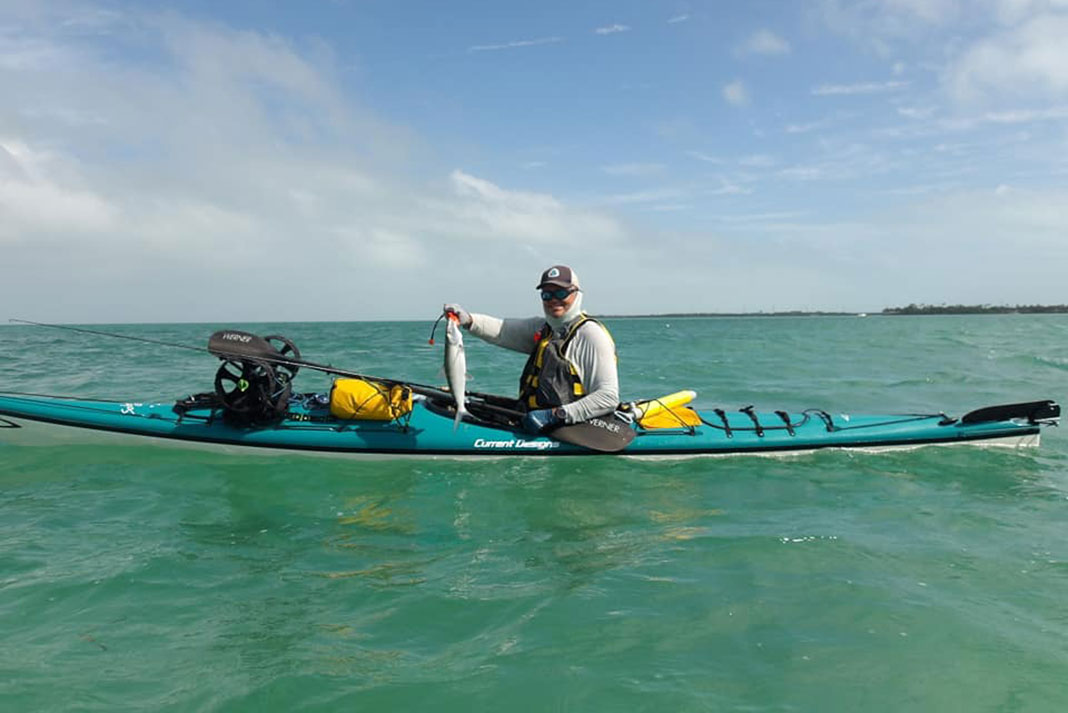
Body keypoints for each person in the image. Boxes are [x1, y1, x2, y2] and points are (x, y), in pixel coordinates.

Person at [445, 265, 619, 434]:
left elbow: (608, 398)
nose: (553, 300)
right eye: (546, 294)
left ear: (576, 294)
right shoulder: (545, 328)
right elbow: (502, 330)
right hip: (533, 419)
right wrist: (468, 320)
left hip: (573, 426)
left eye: (561, 293)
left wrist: (555, 415)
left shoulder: (591, 335)